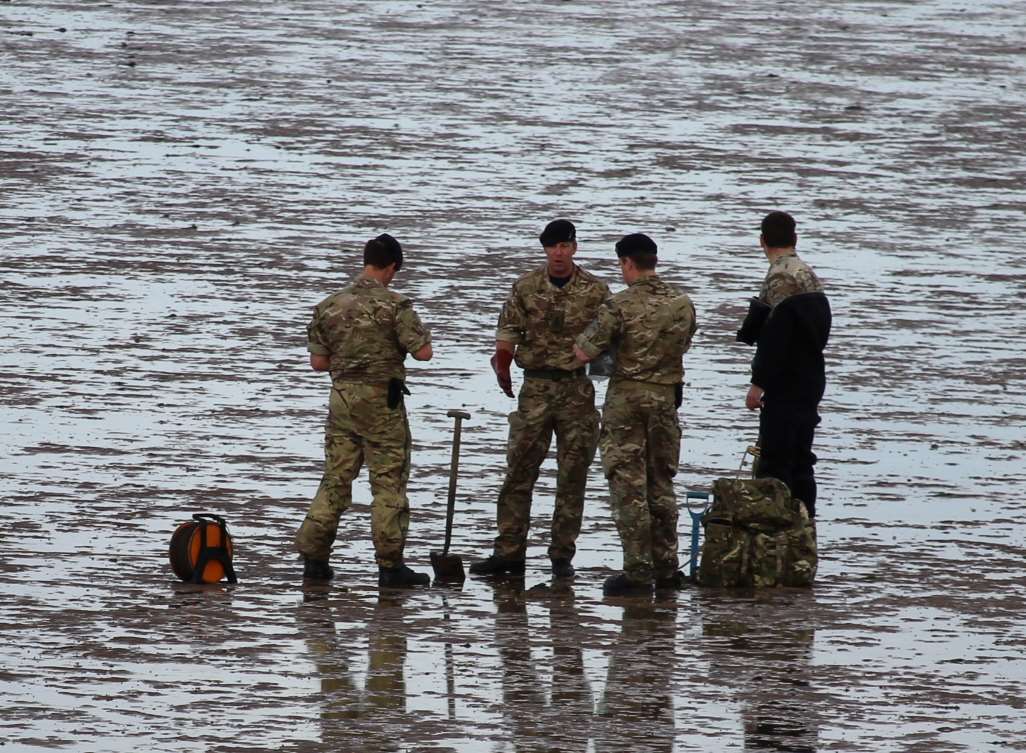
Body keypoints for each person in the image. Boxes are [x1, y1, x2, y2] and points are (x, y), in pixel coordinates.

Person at [470, 219, 610, 579]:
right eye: (552, 247)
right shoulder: (526, 286)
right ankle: (509, 551)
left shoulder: (596, 290)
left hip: (577, 390)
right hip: (534, 388)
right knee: (518, 470)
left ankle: (562, 556)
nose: (559, 253)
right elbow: (507, 332)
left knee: (573, 475)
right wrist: (502, 364)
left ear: (574, 248)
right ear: (545, 250)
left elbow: (611, 338)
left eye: (565, 246)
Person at [294, 233, 434, 587]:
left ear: (365, 262)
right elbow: (423, 353)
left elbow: (318, 362)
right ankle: (390, 565)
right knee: (388, 482)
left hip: (341, 400)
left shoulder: (328, 305)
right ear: (392, 267)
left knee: (336, 478)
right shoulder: (396, 305)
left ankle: (314, 558)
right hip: (381, 403)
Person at [573, 233, 697, 596]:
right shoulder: (682, 302)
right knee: (661, 482)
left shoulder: (619, 305)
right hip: (665, 399)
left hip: (627, 400)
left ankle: (638, 570)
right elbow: (685, 342)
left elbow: (584, 353)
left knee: (628, 485)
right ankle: (668, 567)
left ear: (627, 263)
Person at [738, 211, 831, 519]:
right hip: (812, 377)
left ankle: (775, 533)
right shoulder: (807, 274)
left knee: (776, 461)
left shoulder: (779, 276)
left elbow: (776, 337)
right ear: (795, 239)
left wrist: (758, 382)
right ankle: (805, 527)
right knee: (802, 459)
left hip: (786, 382)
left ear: (762, 241)